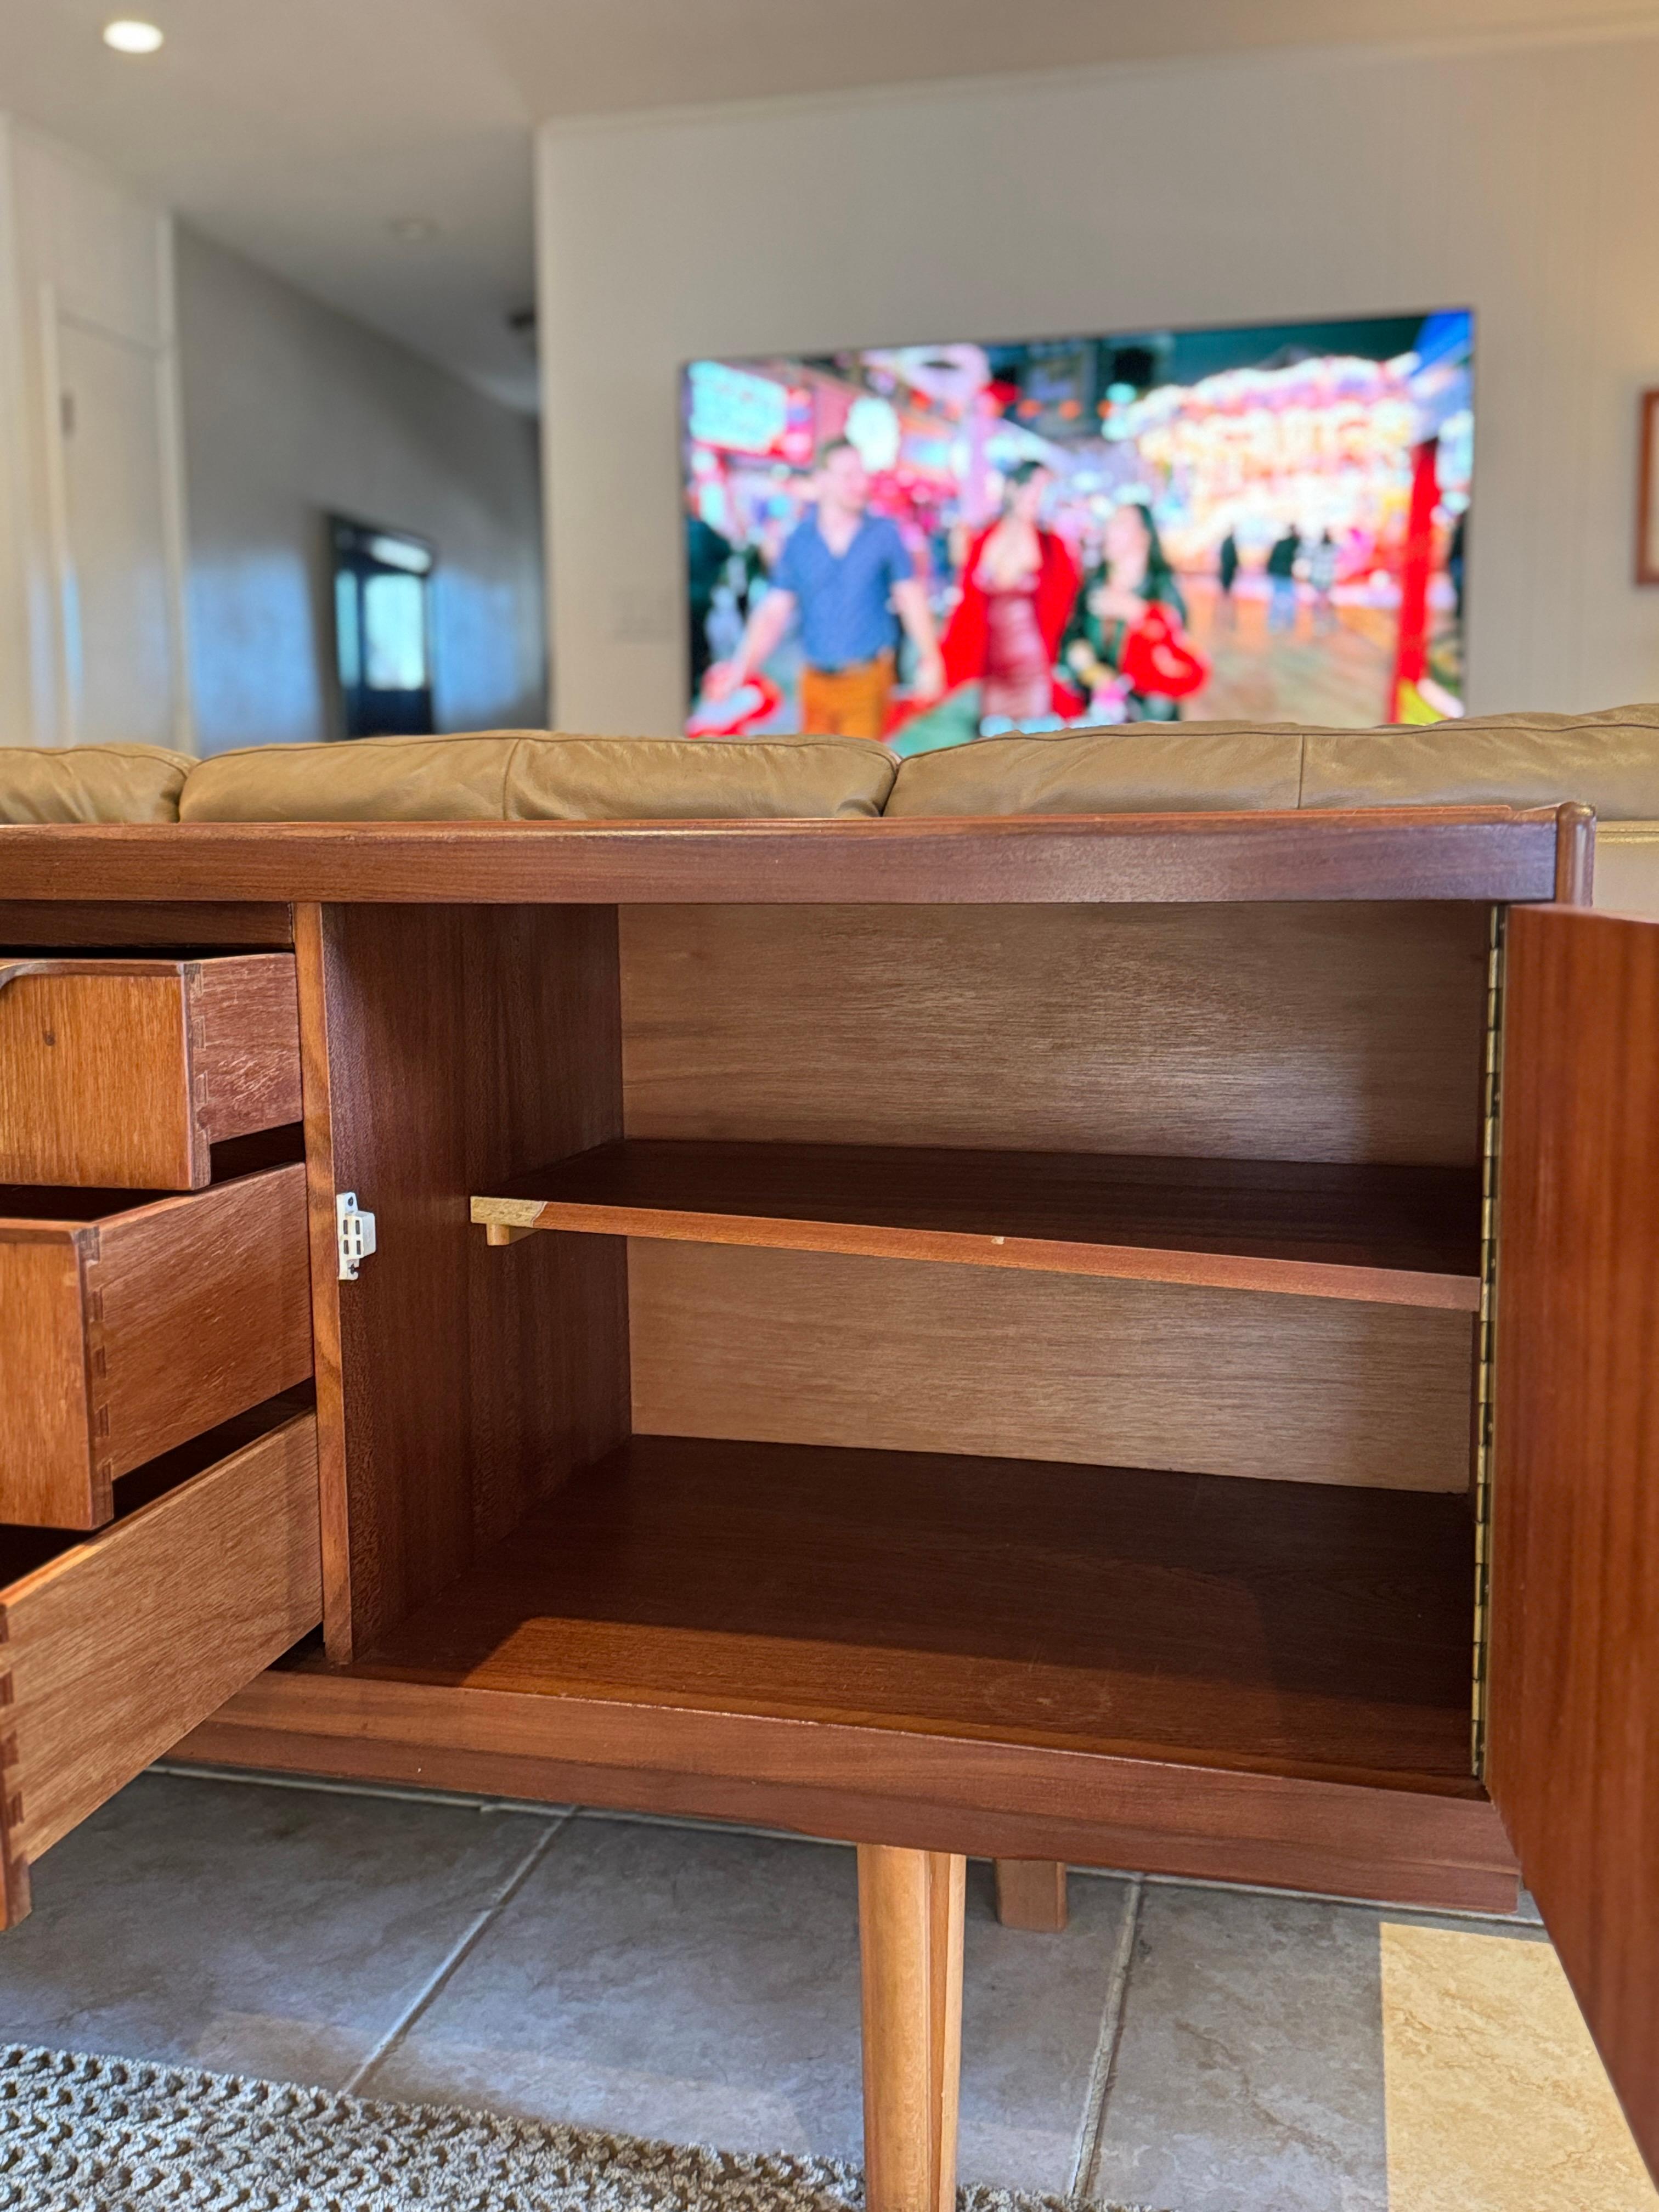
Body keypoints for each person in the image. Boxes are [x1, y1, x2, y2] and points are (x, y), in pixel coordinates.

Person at [706, 440, 944, 740]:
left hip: (867, 679)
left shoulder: (884, 533)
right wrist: (741, 670)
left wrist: (931, 658)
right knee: (818, 776)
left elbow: (910, 597)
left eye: (862, 474)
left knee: (861, 778)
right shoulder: (799, 541)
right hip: (814, 680)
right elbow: (773, 612)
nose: (860, 484)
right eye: (848, 476)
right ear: (822, 481)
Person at [940, 461, 1080, 730]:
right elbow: (965, 606)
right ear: (1014, 488)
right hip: (988, 667)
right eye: (1034, 487)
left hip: (1033, 669)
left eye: (1046, 490)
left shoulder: (1053, 547)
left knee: (1032, 751)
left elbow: (1066, 607)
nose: (1039, 496)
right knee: (991, 750)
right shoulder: (982, 538)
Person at [1062, 499, 1194, 721]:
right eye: (1110, 523)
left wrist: (1139, 613)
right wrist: (1088, 667)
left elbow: (1176, 655)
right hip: (1097, 718)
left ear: (1144, 536)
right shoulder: (1095, 584)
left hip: (1150, 724)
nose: (1109, 530)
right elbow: (1072, 637)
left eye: (1121, 524)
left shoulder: (1163, 590)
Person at [684, 491, 736, 701]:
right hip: (700, 596)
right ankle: (700, 682)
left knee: (691, 638)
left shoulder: (668, 533)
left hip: (688, 597)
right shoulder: (701, 529)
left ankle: (695, 683)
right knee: (698, 639)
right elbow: (726, 550)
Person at [1266, 524, 1301, 633]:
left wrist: (1270, 571)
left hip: (1278, 574)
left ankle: (1274, 622)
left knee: (1276, 599)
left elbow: (1271, 559)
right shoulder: (1293, 544)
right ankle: (1288, 622)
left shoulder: (1280, 543)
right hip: (1286, 574)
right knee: (1289, 599)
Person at [1307, 529, 1339, 631]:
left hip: (1319, 578)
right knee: (1323, 600)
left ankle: (1321, 621)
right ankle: (1324, 621)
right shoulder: (1334, 548)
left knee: (1320, 600)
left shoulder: (1317, 548)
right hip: (1326, 578)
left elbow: (1309, 558)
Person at [1216, 528, 1239, 628]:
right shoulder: (1231, 544)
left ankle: (1221, 618)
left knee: (1224, 596)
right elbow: (1233, 561)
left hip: (1224, 573)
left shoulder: (1225, 543)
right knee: (1227, 597)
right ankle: (1227, 618)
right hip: (1228, 574)